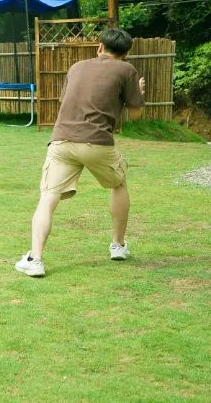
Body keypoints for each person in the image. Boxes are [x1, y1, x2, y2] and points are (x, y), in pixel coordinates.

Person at [15, 28, 145, 278]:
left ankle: (35, 259)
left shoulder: (76, 67)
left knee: (48, 197)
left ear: (99, 47)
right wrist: (139, 92)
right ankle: (118, 246)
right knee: (118, 184)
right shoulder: (127, 70)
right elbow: (137, 115)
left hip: (61, 140)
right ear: (126, 53)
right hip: (97, 143)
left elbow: (66, 100)